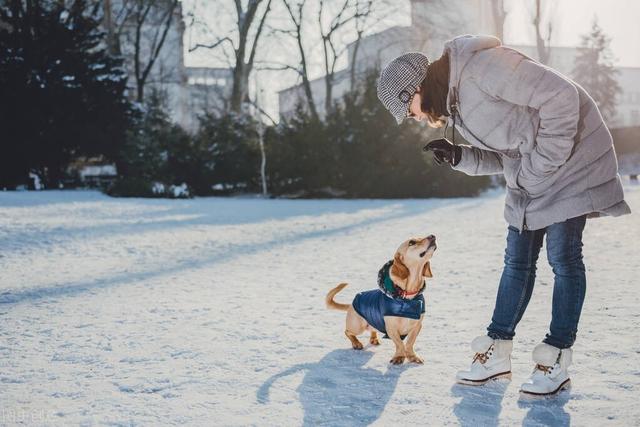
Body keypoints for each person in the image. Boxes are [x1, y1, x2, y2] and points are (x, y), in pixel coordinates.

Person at [376, 34, 631, 396]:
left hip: (573, 157)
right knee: (517, 261)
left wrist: (539, 166)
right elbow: (506, 153)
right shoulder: (458, 106)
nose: (414, 117)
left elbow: (563, 97)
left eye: (408, 109)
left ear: (415, 87)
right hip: (534, 172)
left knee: (563, 257)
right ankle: (497, 351)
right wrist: (460, 156)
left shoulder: (482, 67)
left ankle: (556, 356)